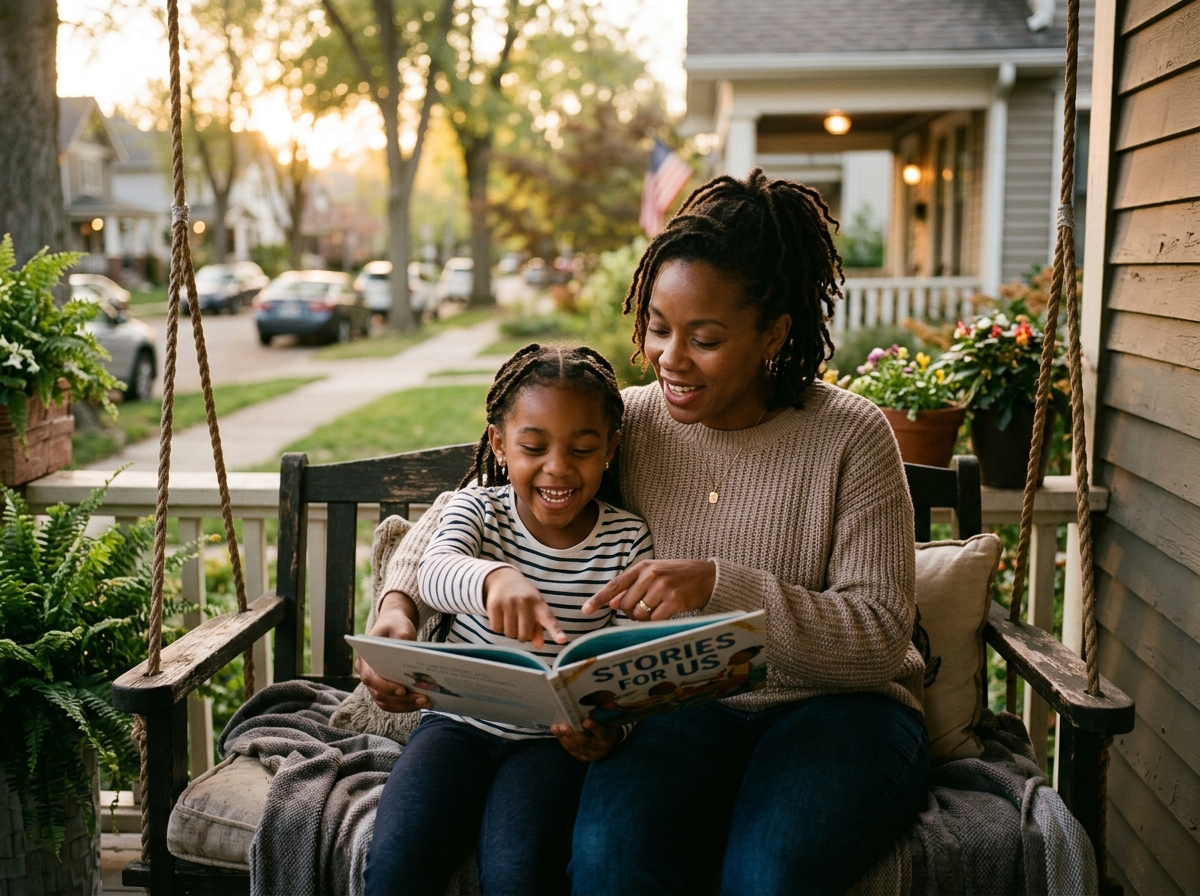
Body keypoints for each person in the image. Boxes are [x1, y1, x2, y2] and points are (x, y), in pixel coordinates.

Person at [362, 169, 930, 894]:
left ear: (774, 335)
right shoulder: (634, 422)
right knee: (608, 864)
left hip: (840, 715)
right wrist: (399, 607)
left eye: (706, 338)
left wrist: (722, 587)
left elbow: (881, 636)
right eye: (659, 328)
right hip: (684, 713)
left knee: (768, 875)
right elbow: (466, 508)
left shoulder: (853, 436)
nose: (670, 358)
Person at [362, 344, 654, 896]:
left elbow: (626, 657)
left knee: (520, 877)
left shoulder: (626, 539)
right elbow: (434, 573)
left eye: (584, 448)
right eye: (533, 447)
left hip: (550, 745)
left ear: (611, 446)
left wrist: (611, 727)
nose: (558, 468)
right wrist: (495, 578)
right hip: (455, 726)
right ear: (499, 443)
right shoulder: (478, 511)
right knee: (395, 866)